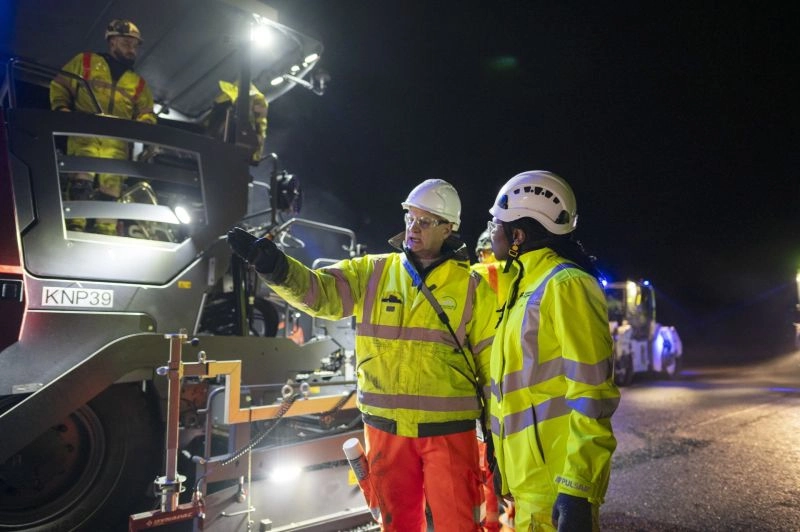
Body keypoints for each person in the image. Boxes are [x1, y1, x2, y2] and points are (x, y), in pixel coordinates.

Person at [228, 179, 497, 531]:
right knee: (395, 525)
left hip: (449, 434)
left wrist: (497, 440)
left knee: (459, 525)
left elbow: (493, 371)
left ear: (449, 228)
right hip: (385, 430)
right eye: (410, 217)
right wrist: (276, 267)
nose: (413, 228)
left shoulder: (473, 287)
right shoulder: (373, 272)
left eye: (425, 221)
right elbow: (320, 293)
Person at [486, 170, 620, 531]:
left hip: (557, 487)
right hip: (529, 486)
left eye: (495, 223)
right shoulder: (522, 287)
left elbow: (592, 393)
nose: (489, 231)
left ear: (518, 235)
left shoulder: (566, 284)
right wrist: (501, 460)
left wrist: (577, 489)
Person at [50, 19, 156, 234]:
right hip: (83, 137)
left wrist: (143, 125)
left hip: (117, 146)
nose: (132, 49)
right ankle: (74, 230)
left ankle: (105, 234)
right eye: (126, 43)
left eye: (135, 45)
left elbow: (147, 113)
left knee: (110, 193)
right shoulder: (85, 61)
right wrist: (61, 109)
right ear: (112, 42)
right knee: (80, 186)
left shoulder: (138, 83)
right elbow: (60, 85)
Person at [205, 80, 268, 165]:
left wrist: (255, 157)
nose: (256, 108)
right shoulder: (225, 107)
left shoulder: (258, 106)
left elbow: (260, 132)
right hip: (221, 152)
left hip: (234, 155)